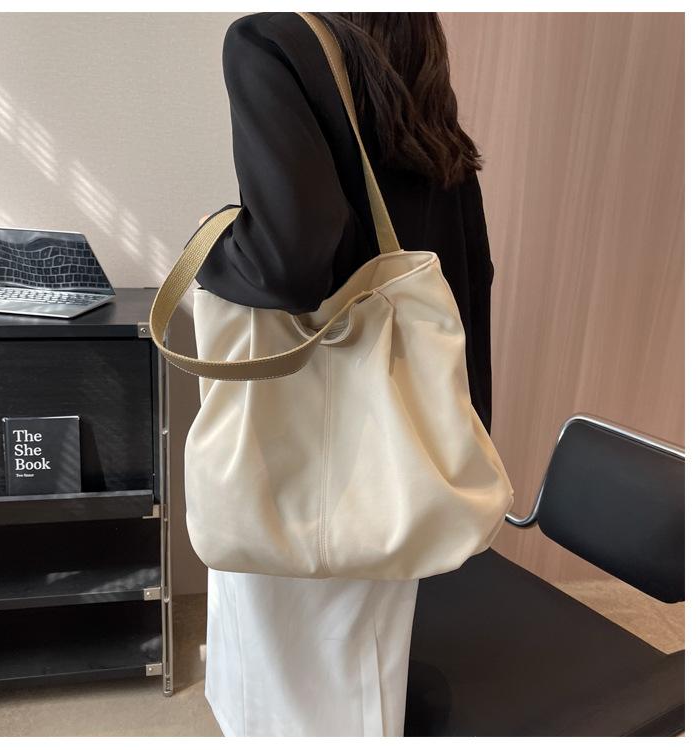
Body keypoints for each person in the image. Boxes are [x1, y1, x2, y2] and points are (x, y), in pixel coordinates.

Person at [194, 12, 495, 737]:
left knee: (285, 692)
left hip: (291, 442)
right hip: (397, 442)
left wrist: (208, 247)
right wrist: (461, 436)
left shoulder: (270, 40)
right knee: (361, 671)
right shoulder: (414, 67)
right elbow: (470, 274)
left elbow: (289, 261)